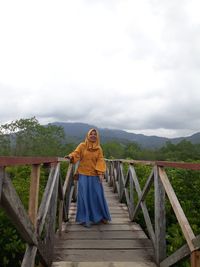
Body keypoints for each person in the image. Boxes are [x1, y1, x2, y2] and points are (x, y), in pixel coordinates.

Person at [65, 128, 111, 227]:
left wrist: (100, 173)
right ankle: (84, 218)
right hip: (83, 174)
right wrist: (71, 157)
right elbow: (76, 154)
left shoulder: (99, 148)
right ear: (88, 135)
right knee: (84, 196)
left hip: (95, 175)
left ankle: (101, 217)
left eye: (95, 134)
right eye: (91, 134)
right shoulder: (82, 145)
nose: (93, 136)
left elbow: (100, 160)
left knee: (98, 195)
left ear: (97, 136)